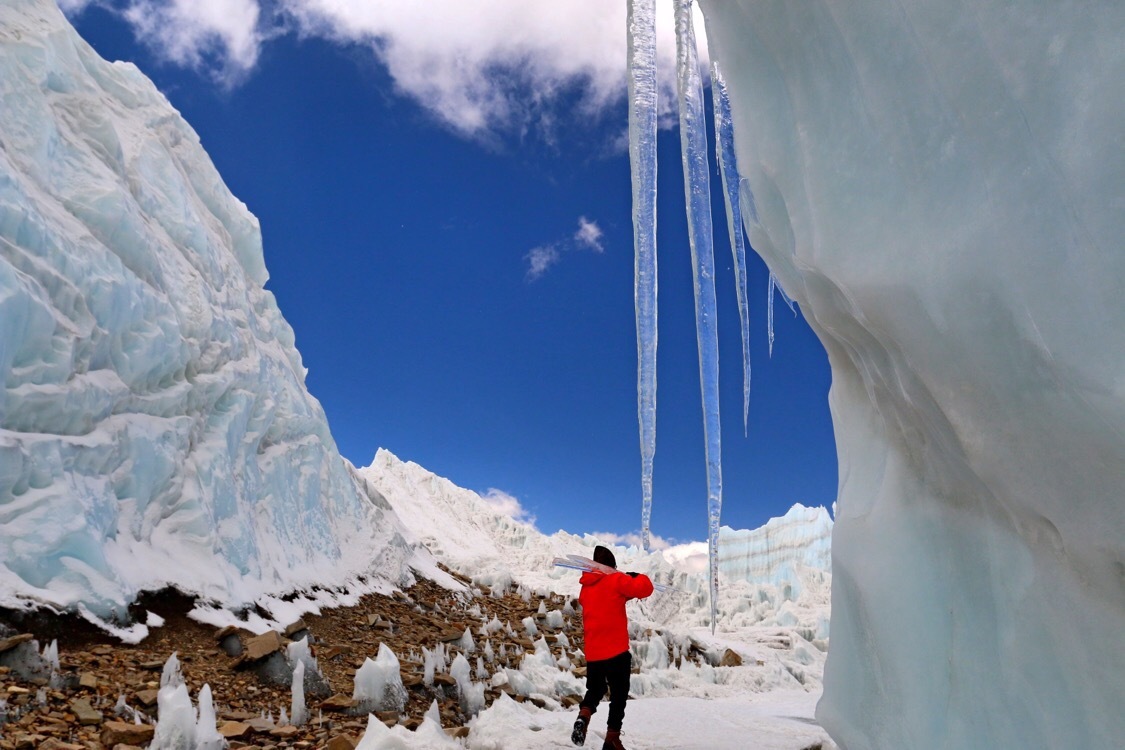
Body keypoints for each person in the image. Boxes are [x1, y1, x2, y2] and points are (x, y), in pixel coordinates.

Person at [571, 545, 654, 750]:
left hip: (594, 653)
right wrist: (634, 576)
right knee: (618, 695)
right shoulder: (616, 580)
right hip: (616, 651)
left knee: (595, 689)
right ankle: (612, 739)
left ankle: (584, 716)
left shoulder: (586, 589)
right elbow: (645, 589)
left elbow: (613, 595)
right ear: (611, 566)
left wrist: (623, 581)